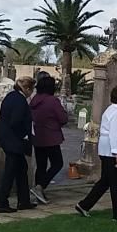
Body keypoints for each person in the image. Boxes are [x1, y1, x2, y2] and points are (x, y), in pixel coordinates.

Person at [76, 85, 117, 223]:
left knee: (105, 182)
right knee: (116, 184)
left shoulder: (110, 110)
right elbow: (115, 135)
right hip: (110, 151)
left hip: (105, 149)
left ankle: (84, 205)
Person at [0, 76, 37, 214]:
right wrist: (24, 135)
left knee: (21, 168)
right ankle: (2, 202)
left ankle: (23, 200)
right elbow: (16, 121)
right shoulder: (20, 101)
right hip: (13, 140)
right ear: (28, 89)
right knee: (10, 171)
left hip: (6, 138)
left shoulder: (10, 96)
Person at [30, 76, 67, 204]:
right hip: (51, 137)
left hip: (38, 136)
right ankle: (40, 187)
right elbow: (63, 118)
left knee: (41, 165)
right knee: (57, 163)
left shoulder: (34, 100)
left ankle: (38, 193)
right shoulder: (52, 101)